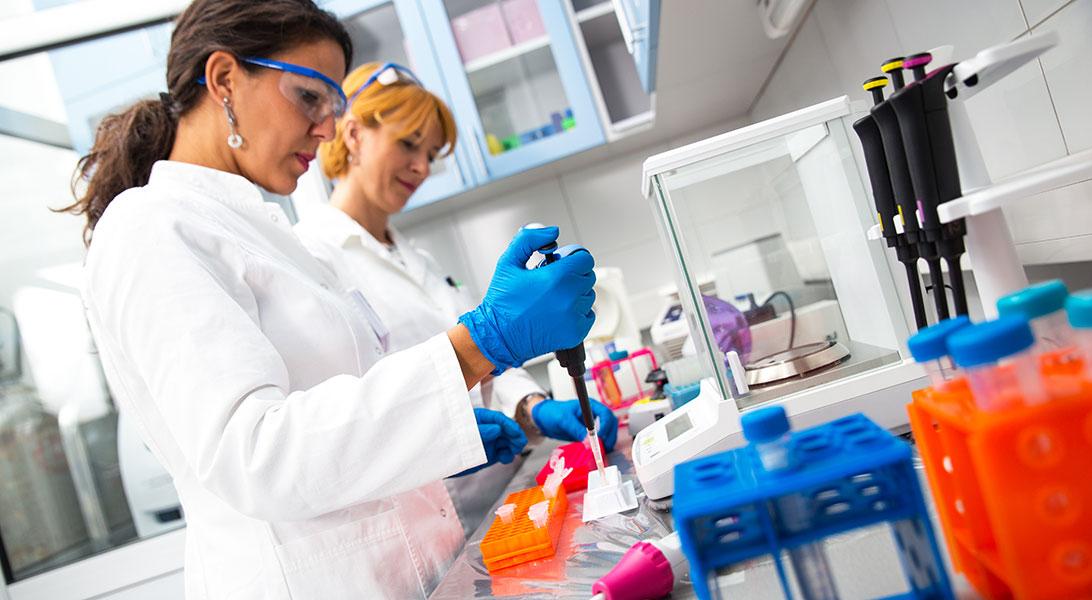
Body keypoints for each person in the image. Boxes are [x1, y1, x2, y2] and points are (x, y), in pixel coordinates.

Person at [61, 1, 596, 598]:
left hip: (419, 569)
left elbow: (345, 410)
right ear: (223, 80)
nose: (326, 126)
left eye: (334, 105)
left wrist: (436, 440)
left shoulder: (270, 235)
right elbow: (255, 454)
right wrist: (480, 345)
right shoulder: (152, 227)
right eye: (309, 97)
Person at [293, 62, 619, 530]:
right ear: (353, 134)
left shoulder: (417, 259)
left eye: (431, 154)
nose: (422, 167)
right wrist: (437, 441)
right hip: (421, 520)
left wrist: (534, 408)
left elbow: (476, 359)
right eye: (408, 144)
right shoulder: (314, 258)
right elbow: (352, 417)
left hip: (497, 504)